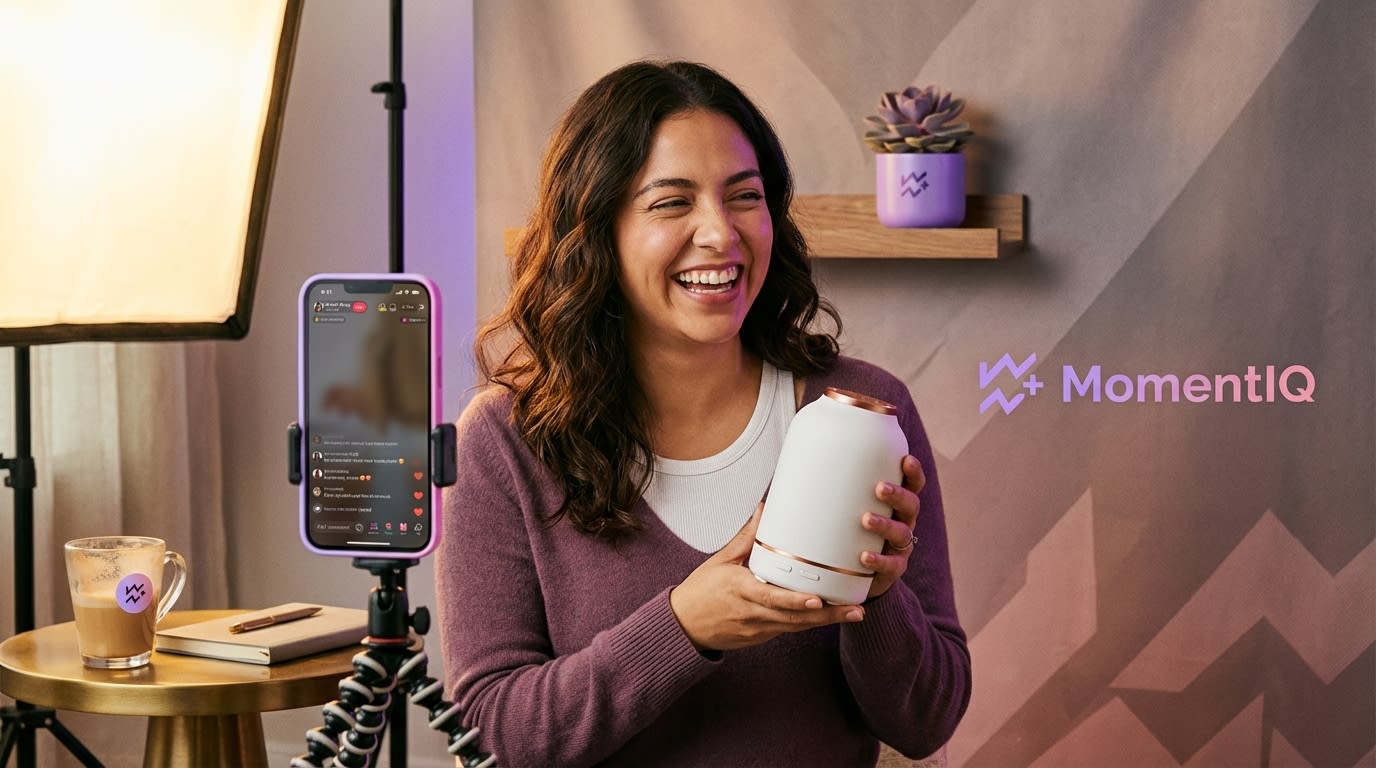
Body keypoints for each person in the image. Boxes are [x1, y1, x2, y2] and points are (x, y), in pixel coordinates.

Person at [436, 60, 970, 767]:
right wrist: (684, 626)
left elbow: (927, 723)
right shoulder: (506, 440)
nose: (720, 233)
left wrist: (876, 598)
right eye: (671, 203)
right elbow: (489, 737)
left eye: (744, 196)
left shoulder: (864, 415)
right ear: (597, 229)